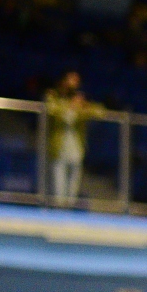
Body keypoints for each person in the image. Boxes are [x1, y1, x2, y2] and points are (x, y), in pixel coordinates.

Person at [44, 71, 101, 203]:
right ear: (64, 80)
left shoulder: (80, 98)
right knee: (58, 188)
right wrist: (71, 106)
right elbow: (52, 109)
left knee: (73, 189)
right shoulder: (54, 95)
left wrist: (82, 105)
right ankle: (57, 209)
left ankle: (69, 209)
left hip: (77, 149)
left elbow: (99, 111)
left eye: (76, 81)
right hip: (58, 149)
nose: (74, 83)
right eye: (71, 80)